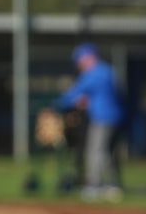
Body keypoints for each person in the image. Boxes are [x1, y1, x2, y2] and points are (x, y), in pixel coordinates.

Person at [53, 43, 124, 201]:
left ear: (89, 57)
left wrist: (55, 104)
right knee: (106, 152)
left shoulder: (95, 73)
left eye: (81, 60)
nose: (80, 64)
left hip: (103, 117)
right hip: (114, 116)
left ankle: (94, 186)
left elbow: (74, 94)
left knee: (95, 151)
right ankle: (112, 186)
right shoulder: (108, 71)